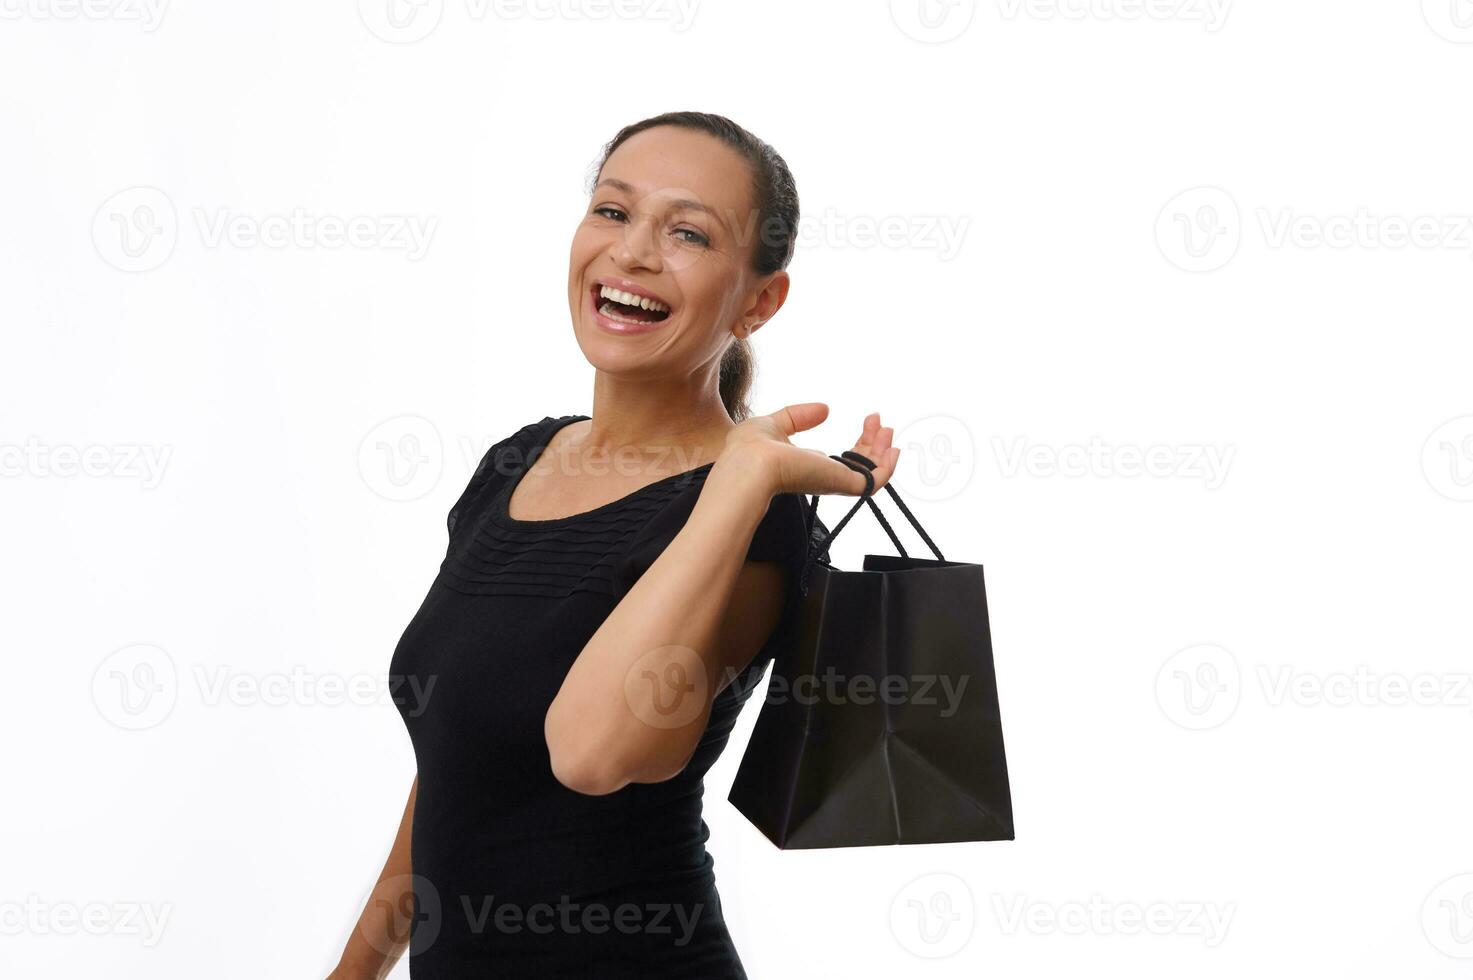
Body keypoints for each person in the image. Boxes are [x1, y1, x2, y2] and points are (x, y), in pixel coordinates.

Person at [328, 110, 900, 979]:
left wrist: (739, 480)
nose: (632, 252)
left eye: (687, 232)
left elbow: (593, 753)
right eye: (611, 211)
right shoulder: (514, 464)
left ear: (758, 300)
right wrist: (353, 973)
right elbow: (455, 772)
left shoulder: (758, 517)